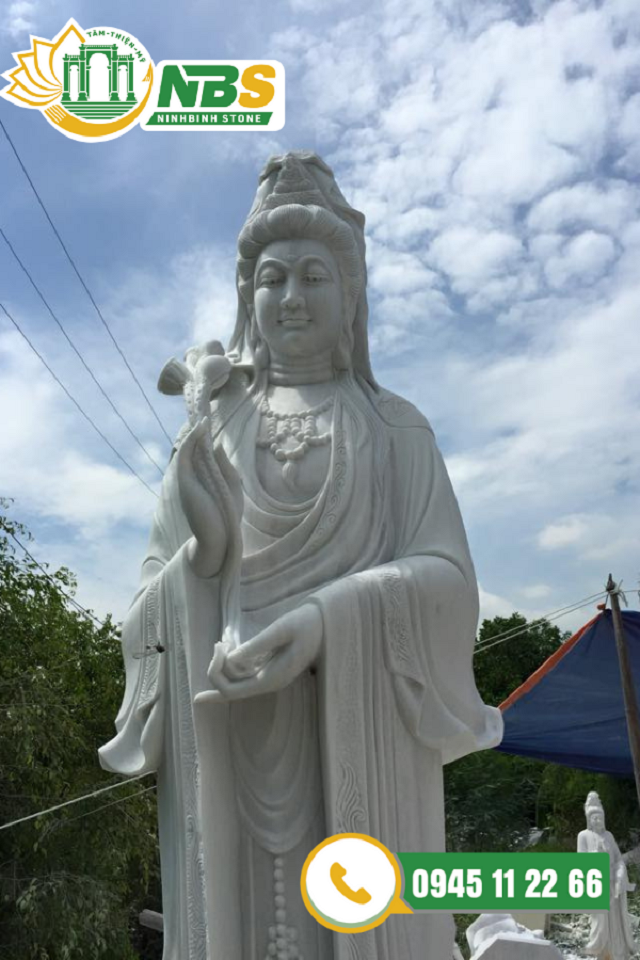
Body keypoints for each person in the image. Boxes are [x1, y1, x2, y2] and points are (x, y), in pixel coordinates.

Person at [100, 151, 502, 960]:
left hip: (357, 739)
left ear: (350, 294)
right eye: (271, 277)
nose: (290, 297)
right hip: (234, 739)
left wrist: (327, 622)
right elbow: (143, 613)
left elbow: (451, 584)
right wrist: (203, 563)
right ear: (246, 296)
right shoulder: (214, 429)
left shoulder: (395, 430)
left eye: (314, 276)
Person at [578, 791, 637, 960]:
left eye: (600, 817)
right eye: (594, 818)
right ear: (589, 820)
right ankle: (601, 952)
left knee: (615, 921)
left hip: (613, 885)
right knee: (600, 921)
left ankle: (617, 952)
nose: (597, 821)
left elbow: (618, 859)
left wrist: (619, 875)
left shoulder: (608, 836)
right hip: (598, 883)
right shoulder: (583, 836)